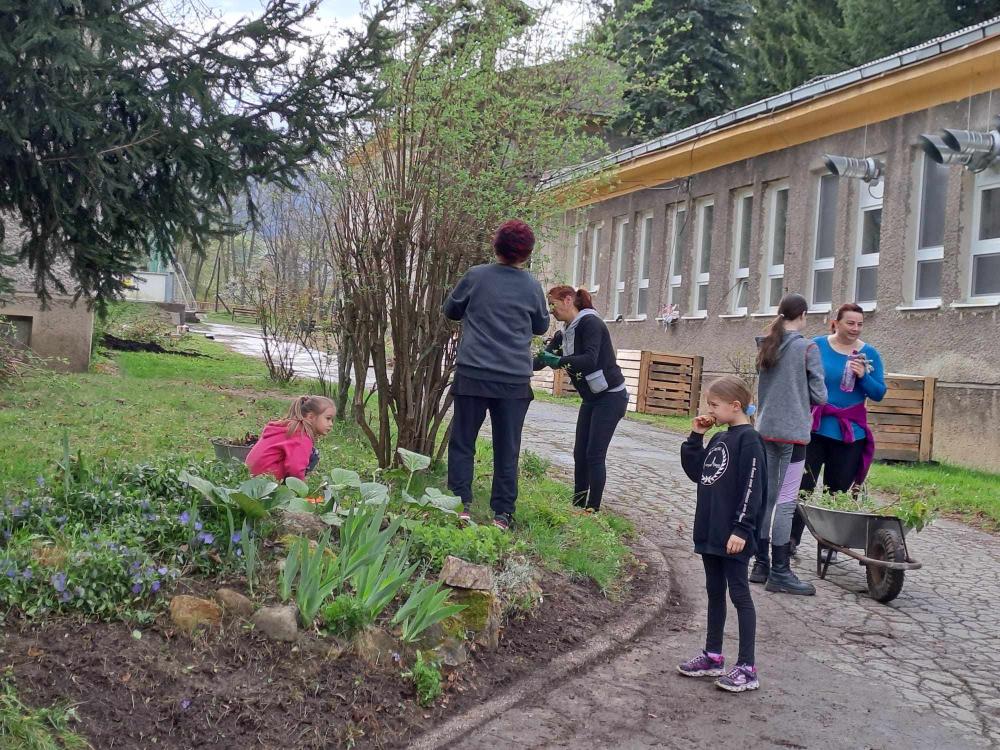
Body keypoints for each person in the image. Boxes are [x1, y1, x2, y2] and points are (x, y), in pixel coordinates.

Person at [443, 219, 549, 531]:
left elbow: (450, 310)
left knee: (463, 442)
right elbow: (541, 326)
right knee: (507, 447)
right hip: (514, 380)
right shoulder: (532, 285)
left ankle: (458, 506)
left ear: (495, 246)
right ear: (527, 254)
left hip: (474, 373)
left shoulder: (476, 277)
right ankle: (502, 514)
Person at [678, 375, 765, 693]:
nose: (710, 411)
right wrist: (695, 436)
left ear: (735, 406)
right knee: (715, 592)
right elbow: (697, 473)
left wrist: (743, 528)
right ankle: (713, 656)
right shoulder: (719, 438)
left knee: (739, 595)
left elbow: (753, 488)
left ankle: (747, 667)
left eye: (714, 405)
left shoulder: (750, 441)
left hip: (734, 535)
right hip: (712, 532)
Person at [790, 303, 887, 552]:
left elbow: (879, 394)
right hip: (815, 429)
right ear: (836, 322)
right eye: (850, 323)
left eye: (860, 324)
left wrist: (864, 375)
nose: (855, 328)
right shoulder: (817, 346)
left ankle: (830, 546)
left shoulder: (870, 354)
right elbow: (799, 380)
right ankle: (790, 541)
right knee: (803, 487)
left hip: (849, 434)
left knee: (838, 492)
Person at [751, 293, 826, 596]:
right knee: (786, 502)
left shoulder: (766, 344)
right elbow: (820, 396)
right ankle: (781, 571)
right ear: (803, 315)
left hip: (765, 430)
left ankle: (760, 564)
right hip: (793, 436)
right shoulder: (808, 348)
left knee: (766, 498)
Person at [534, 285, 628, 512]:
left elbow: (589, 359)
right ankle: (577, 505)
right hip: (591, 397)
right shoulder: (564, 333)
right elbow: (539, 363)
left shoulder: (590, 323)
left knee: (594, 454)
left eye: (553, 304)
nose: (551, 311)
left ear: (568, 300)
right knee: (580, 453)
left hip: (611, 397)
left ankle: (592, 509)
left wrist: (557, 361)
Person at [245, 395, 335, 481]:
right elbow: (295, 468)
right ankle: (286, 489)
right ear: (310, 417)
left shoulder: (287, 427)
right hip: (266, 482)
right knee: (314, 455)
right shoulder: (301, 436)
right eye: (328, 418)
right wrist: (299, 490)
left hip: (250, 475)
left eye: (332, 420)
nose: (331, 424)